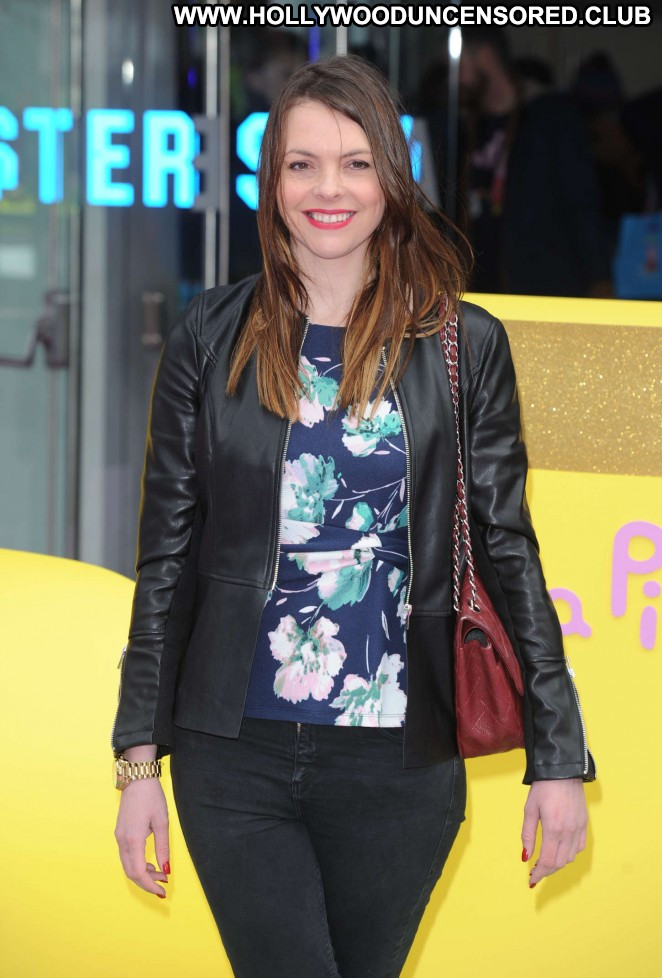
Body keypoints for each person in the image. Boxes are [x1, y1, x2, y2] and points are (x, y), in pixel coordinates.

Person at [112, 54, 597, 978]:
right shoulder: (210, 337)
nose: (327, 189)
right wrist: (139, 760)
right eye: (302, 164)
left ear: (391, 179)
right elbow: (165, 558)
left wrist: (558, 754)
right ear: (273, 181)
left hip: (399, 765)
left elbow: (508, 553)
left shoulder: (464, 343)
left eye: (355, 163)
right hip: (232, 754)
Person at [457, 25, 613, 298]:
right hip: (481, 294)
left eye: (460, 64)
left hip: (544, 289)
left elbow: (582, 203)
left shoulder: (552, 118)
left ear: (484, 57)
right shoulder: (466, 128)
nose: (455, 77)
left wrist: (600, 280)